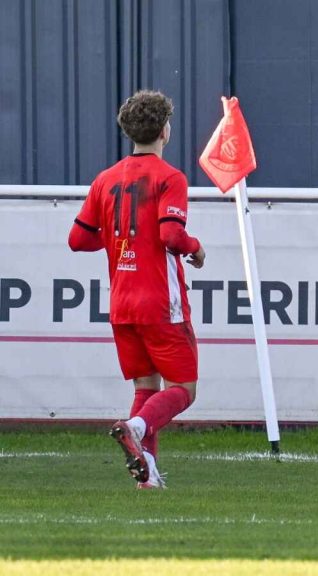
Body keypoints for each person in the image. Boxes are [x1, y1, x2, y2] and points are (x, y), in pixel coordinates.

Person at [68, 90, 206, 489]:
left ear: (128, 132)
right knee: (183, 389)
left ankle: (148, 475)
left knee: (146, 386)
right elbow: (170, 234)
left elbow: (78, 239)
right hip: (159, 302)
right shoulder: (170, 178)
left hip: (121, 303)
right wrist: (196, 249)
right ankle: (137, 427)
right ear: (166, 130)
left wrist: (116, 239)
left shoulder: (105, 179)